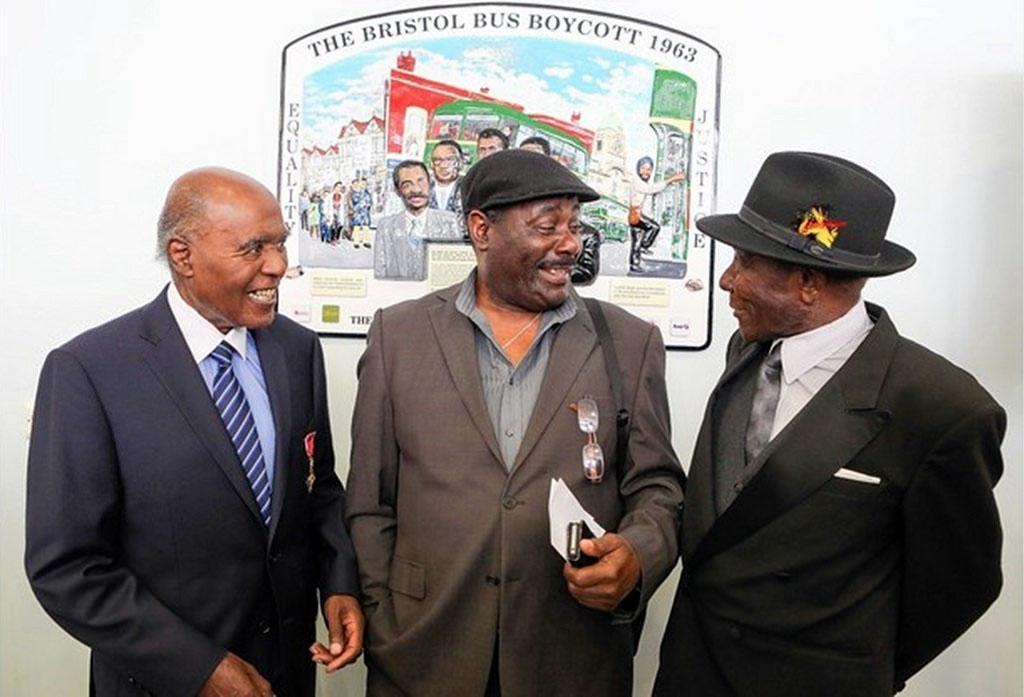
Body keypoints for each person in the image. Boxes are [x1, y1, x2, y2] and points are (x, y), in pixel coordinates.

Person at [653, 152, 1005, 697]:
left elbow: (960, 585)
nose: (726, 280)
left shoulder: (942, 408)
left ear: (809, 283)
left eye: (744, 262)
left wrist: (851, 672)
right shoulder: (745, 351)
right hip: (692, 672)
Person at [347, 149, 685, 697]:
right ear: (481, 229)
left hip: (571, 656)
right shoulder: (398, 335)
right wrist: (384, 615)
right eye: (547, 225)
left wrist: (637, 557)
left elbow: (658, 488)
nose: (570, 243)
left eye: (574, 226)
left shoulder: (628, 342)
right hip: (423, 653)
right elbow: (369, 499)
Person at [25, 167, 364, 697]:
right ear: (183, 255)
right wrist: (199, 668)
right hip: (163, 682)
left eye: (279, 244)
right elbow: (68, 568)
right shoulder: (89, 371)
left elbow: (317, 490)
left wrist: (339, 583)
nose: (277, 266)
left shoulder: (298, 350)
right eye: (254, 249)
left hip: (285, 673)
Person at [374, 160, 461, 281]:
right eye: (407, 185)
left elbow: (458, 271)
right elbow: (380, 274)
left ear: (430, 184)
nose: (416, 190)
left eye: (421, 182)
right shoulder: (386, 227)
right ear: (397, 191)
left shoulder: (449, 221)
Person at [628, 156, 684, 272]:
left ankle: (635, 264)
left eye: (649, 169)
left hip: (638, 214)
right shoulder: (637, 181)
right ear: (638, 169)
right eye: (643, 168)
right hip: (636, 215)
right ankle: (645, 246)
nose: (645, 172)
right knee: (654, 227)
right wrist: (671, 179)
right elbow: (651, 189)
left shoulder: (642, 182)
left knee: (637, 241)